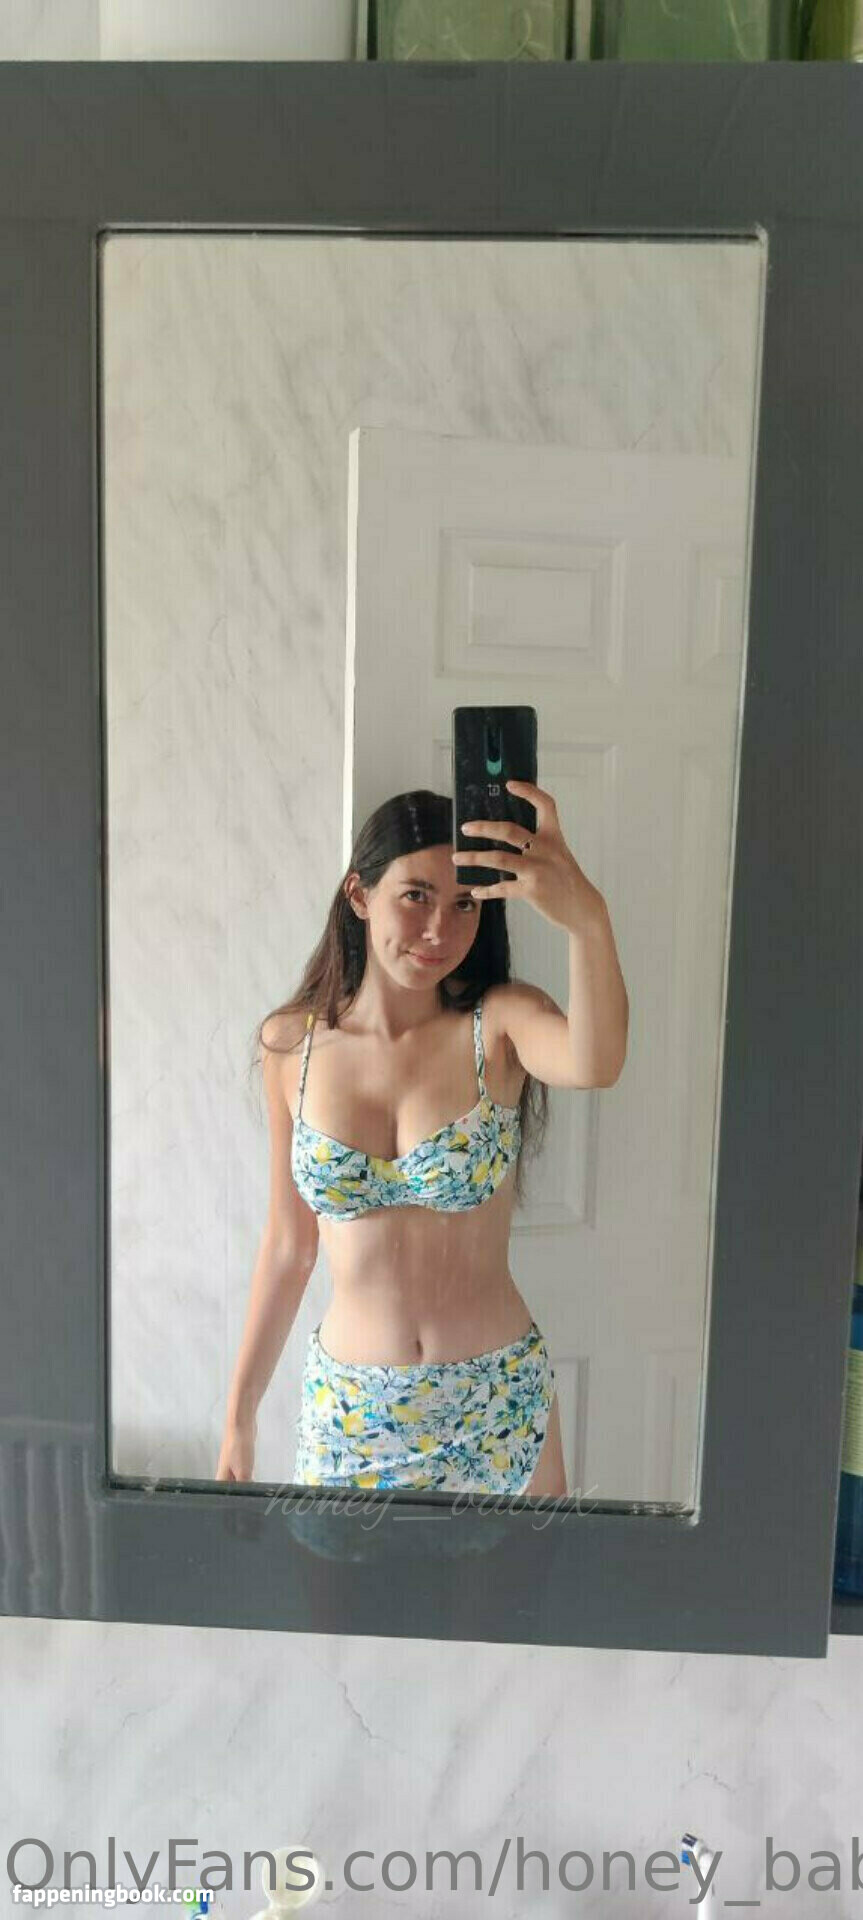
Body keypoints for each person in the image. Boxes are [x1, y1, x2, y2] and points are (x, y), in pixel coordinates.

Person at [216, 779, 628, 1497]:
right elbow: (289, 1246)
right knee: (338, 1581)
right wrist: (239, 1413)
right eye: (416, 896)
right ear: (359, 895)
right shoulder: (291, 1047)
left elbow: (597, 1063)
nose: (440, 930)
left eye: (465, 903)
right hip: (351, 1413)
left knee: (523, 1580)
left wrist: (586, 920)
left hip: (497, 1401)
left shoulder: (499, 1024)